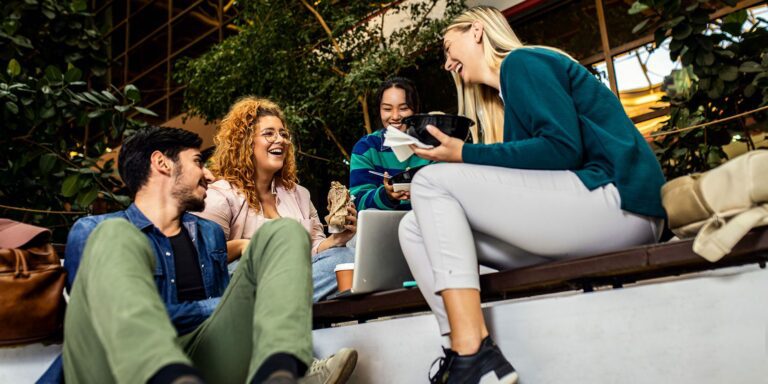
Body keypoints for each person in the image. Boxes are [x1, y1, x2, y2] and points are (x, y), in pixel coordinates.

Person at [398, 6, 666, 384]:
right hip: (583, 219)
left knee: (430, 181)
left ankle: (473, 351)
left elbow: (562, 149)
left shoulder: (523, 62)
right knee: (412, 227)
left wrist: (463, 153)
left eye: (447, 47)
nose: (446, 63)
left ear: (476, 30)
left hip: (620, 203)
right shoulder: (509, 101)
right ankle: (463, 357)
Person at [42, 126, 354, 384]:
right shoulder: (95, 231)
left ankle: (282, 372)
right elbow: (101, 321)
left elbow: (224, 321)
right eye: (197, 162)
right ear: (162, 163)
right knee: (114, 234)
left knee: (285, 232)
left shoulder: (209, 234)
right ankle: (168, 373)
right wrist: (219, 307)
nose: (209, 175)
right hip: (117, 369)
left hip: (199, 361)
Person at [195, 97, 358, 303]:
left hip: (292, 279)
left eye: (283, 134)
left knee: (345, 257)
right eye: (269, 133)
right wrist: (246, 246)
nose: (280, 139)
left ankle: (281, 305)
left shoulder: (300, 194)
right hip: (250, 282)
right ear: (245, 141)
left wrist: (336, 239)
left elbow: (314, 252)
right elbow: (204, 258)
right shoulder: (220, 195)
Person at [349, 77, 433, 211]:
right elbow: (357, 201)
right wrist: (386, 195)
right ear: (379, 110)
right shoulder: (366, 148)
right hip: (381, 224)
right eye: (387, 109)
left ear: (416, 109)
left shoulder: (433, 145)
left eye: (403, 108)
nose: (395, 116)